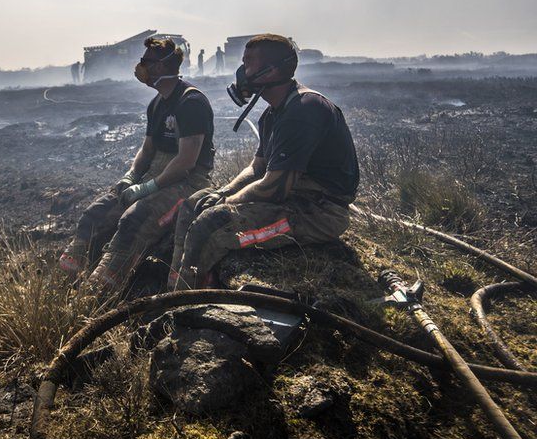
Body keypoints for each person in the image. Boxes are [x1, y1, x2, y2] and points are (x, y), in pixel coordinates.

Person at [168, 34, 359, 290]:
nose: (241, 71)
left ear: (272, 70)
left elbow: (274, 187)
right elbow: (257, 168)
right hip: (294, 200)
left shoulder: (305, 109)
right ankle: (174, 288)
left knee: (209, 226)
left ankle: (184, 304)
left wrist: (225, 204)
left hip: (318, 213)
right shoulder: (272, 115)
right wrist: (222, 193)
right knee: (193, 205)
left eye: (248, 63)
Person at [58, 37, 215, 293]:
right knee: (95, 214)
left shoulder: (191, 102)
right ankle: (66, 280)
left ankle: (100, 291)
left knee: (134, 220)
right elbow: (148, 149)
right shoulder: (157, 103)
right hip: (156, 172)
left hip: (186, 181)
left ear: (161, 67)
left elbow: (186, 161)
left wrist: (147, 189)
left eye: (146, 61)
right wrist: (131, 177)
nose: (141, 66)